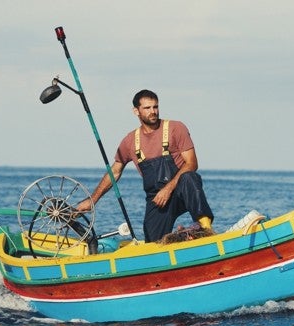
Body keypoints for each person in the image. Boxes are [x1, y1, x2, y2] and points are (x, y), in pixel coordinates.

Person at [76, 89, 214, 242]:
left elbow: (192, 163)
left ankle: (206, 230)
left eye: (155, 107)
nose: (153, 112)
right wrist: (93, 200)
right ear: (136, 111)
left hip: (180, 190)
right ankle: (183, 236)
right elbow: (114, 172)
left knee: (189, 177)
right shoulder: (130, 140)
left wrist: (168, 189)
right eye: (147, 108)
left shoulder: (176, 128)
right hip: (157, 199)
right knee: (153, 243)